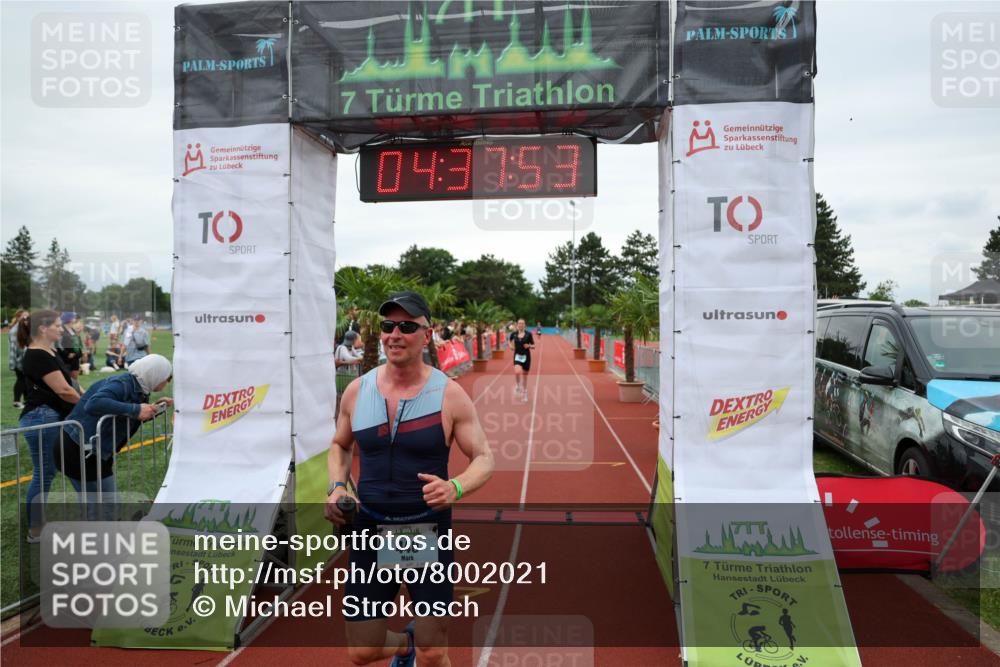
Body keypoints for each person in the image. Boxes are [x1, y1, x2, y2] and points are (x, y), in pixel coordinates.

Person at [325, 290, 494, 667]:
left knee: (435, 652)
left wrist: (456, 486)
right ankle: (405, 646)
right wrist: (336, 486)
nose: (394, 334)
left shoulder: (449, 395)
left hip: (425, 529)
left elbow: (484, 457)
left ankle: (423, 647)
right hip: (370, 527)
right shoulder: (357, 390)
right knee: (362, 651)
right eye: (388, 326)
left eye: (406, 326)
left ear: (427, 334)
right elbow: (340, 445)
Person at [57, 355, 173, 504]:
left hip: (88, 449)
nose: (167, 382)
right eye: (166, 378)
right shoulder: (123, 384)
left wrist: (153, 409)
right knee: (104, 506)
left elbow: (129, 417)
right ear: (154, 374)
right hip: (79, 448)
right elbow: (94, 403)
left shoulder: (139, 387)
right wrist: (135, 409)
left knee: (101, 505)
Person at [18, 309, 82, 542]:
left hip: (48, 416)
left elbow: (71, 383)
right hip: (41, 418)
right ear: (43, 329)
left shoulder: (49, 351)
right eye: (55, 325)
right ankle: (36, 530)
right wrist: (88, 405)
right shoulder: (37, 354)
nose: (59, 328)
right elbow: (64, 391)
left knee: (47, 472)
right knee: (44, 474)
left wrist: (85, 396)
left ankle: (40, 523)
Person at [509, 319, 536, 403]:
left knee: (525, 377)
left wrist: (529, 346)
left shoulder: (528, 334)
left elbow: (534, 345)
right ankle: (517, 385)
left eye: (522, 323)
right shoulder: (514, 334)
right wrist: (511, 346)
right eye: (519, 323)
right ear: (517, 325)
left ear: (525, 325)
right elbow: (509, 340)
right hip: (517, 356)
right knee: (517, 371)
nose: (521, 325)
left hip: (526, 357)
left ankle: (525, 393)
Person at [57, 311, 83, 386]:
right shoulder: (61, 329)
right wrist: (67, 354)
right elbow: (58, 344)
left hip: (75, 358)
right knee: (66, 380)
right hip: (66, 359)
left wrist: (80, 352)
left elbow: (77, 342)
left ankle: (78, 395)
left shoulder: (73, 329)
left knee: (75, 380)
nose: (75, 318)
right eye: (73, 317)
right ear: (69, 319)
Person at [9, 309, 28, 409]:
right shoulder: (15, 330)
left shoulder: (23, 329)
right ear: (18, 317)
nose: (26, 319)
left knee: (25, 380)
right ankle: (16, 401)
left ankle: (26, 400)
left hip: (23, 359)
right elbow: (15, 348)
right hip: (19, 360)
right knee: (21, 380)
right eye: (24, 316)